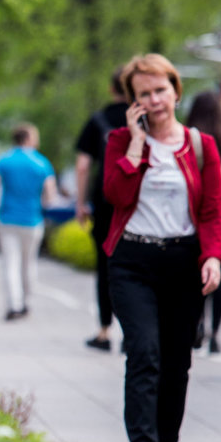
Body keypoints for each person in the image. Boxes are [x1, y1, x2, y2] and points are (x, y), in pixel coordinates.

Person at [102, 54, 221, 442]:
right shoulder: (120, 141)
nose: (154, 100)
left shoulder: (200, 145)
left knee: (176, 359)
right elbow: (116, 195)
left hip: (182, 262)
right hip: (132, 262)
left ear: (175, 90)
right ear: (133, 102)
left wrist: (213, 255)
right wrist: (137, 144)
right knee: (143, 352)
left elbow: (212, 210)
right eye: (143, 94)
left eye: (160, 90)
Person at [0, 123, 58, 320]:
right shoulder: (42, 162)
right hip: (33, 220)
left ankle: (14, 305)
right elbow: (50, 196)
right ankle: (27, 302)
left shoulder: (5, 161)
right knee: (29, 263)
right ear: (28, 138)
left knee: (10, 264)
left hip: (8, 220)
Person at [75, 68, 130, 350]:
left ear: (111, 89)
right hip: (136, 204)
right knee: (134, 265)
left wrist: (81, 202)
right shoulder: (145, 119)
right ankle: (132, 331)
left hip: (105, 201)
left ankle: (104, 330)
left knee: (105, 264)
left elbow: (84, 165)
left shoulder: (98, 120)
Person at [185, 90, 221, 353]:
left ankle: (197, 323)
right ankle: (216, 334)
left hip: (197, 209)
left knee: (196, 270)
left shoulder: (189, 137)